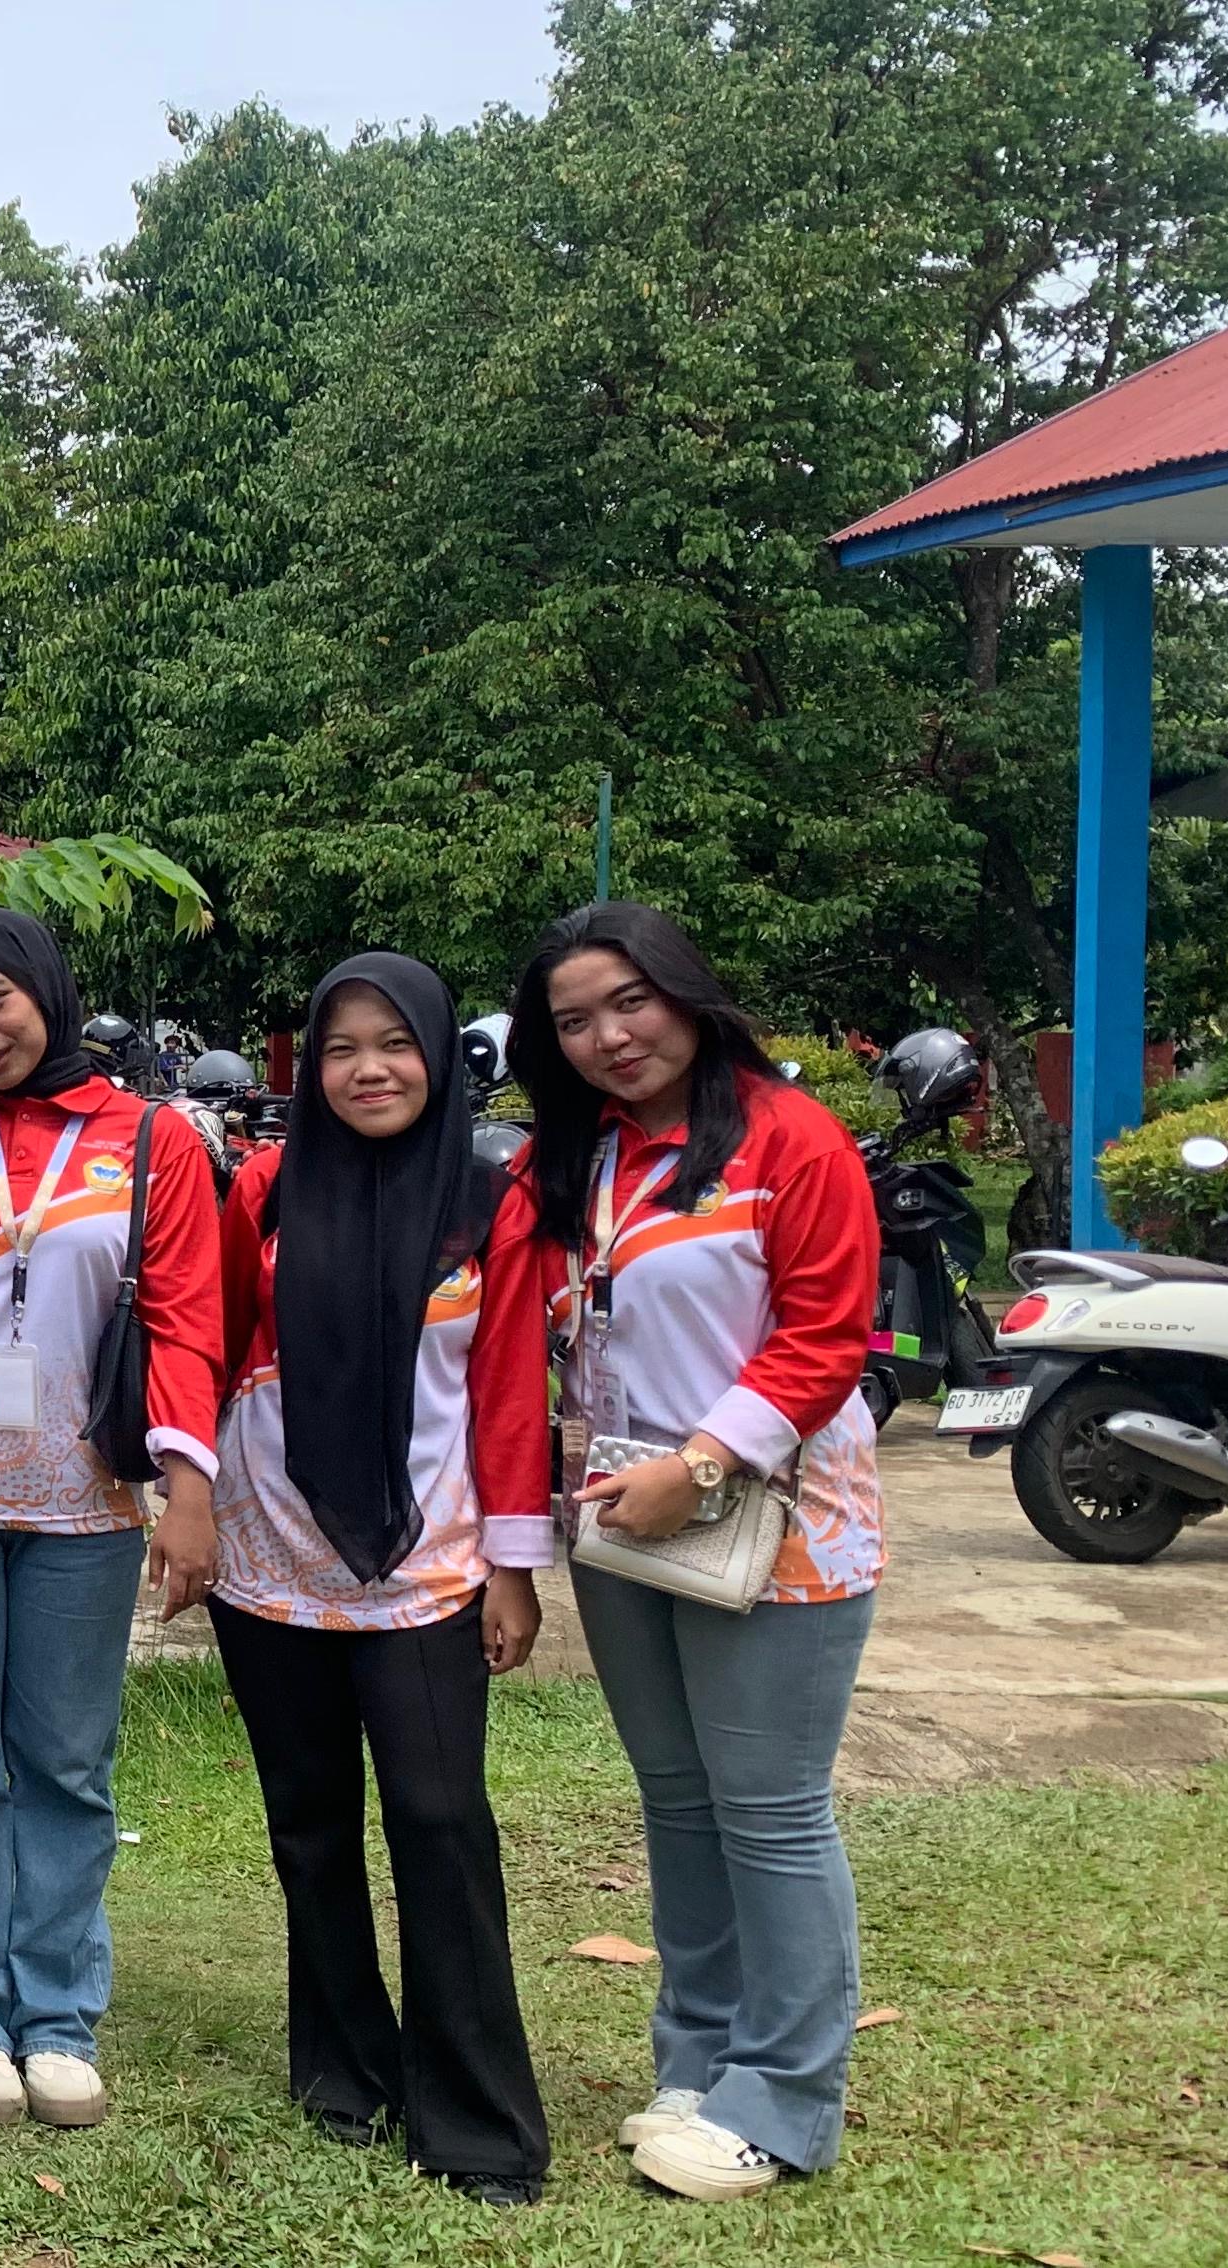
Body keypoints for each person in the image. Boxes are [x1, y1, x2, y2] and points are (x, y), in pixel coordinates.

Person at [482, 902, 883, 2204]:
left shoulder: (789, 1137)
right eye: (574, 1021)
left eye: (628, 1003)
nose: (608, 1037)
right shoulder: (570, 1159)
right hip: (620, 1515)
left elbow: (827, 1335)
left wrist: (701, 1463)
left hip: (774, 1517)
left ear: (684, 992)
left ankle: (785, 2101)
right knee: (678, 1800)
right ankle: (701, 2055)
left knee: (769, 1813)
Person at [210, 954, 551, 2205]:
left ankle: (474, 2117)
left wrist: (516, 1569)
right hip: (271, 1550)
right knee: (309, 1824)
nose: (367, 1070)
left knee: (441, 1819)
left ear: (437, 1053)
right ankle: (346, 2072)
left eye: (393, 1043)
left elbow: (511, 1391)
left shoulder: (489, 1202)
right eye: (341, 1048)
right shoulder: (261, 1186)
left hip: (431, 1560)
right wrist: (189, 1501)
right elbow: (217, 1346)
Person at [0, 907, 222, 2131]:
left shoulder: (154, 1140)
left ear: (45, 990)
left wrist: (192, 1486)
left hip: (94, 1498)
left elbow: (185, 1315)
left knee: (67, 1766)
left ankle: (59, 2015)